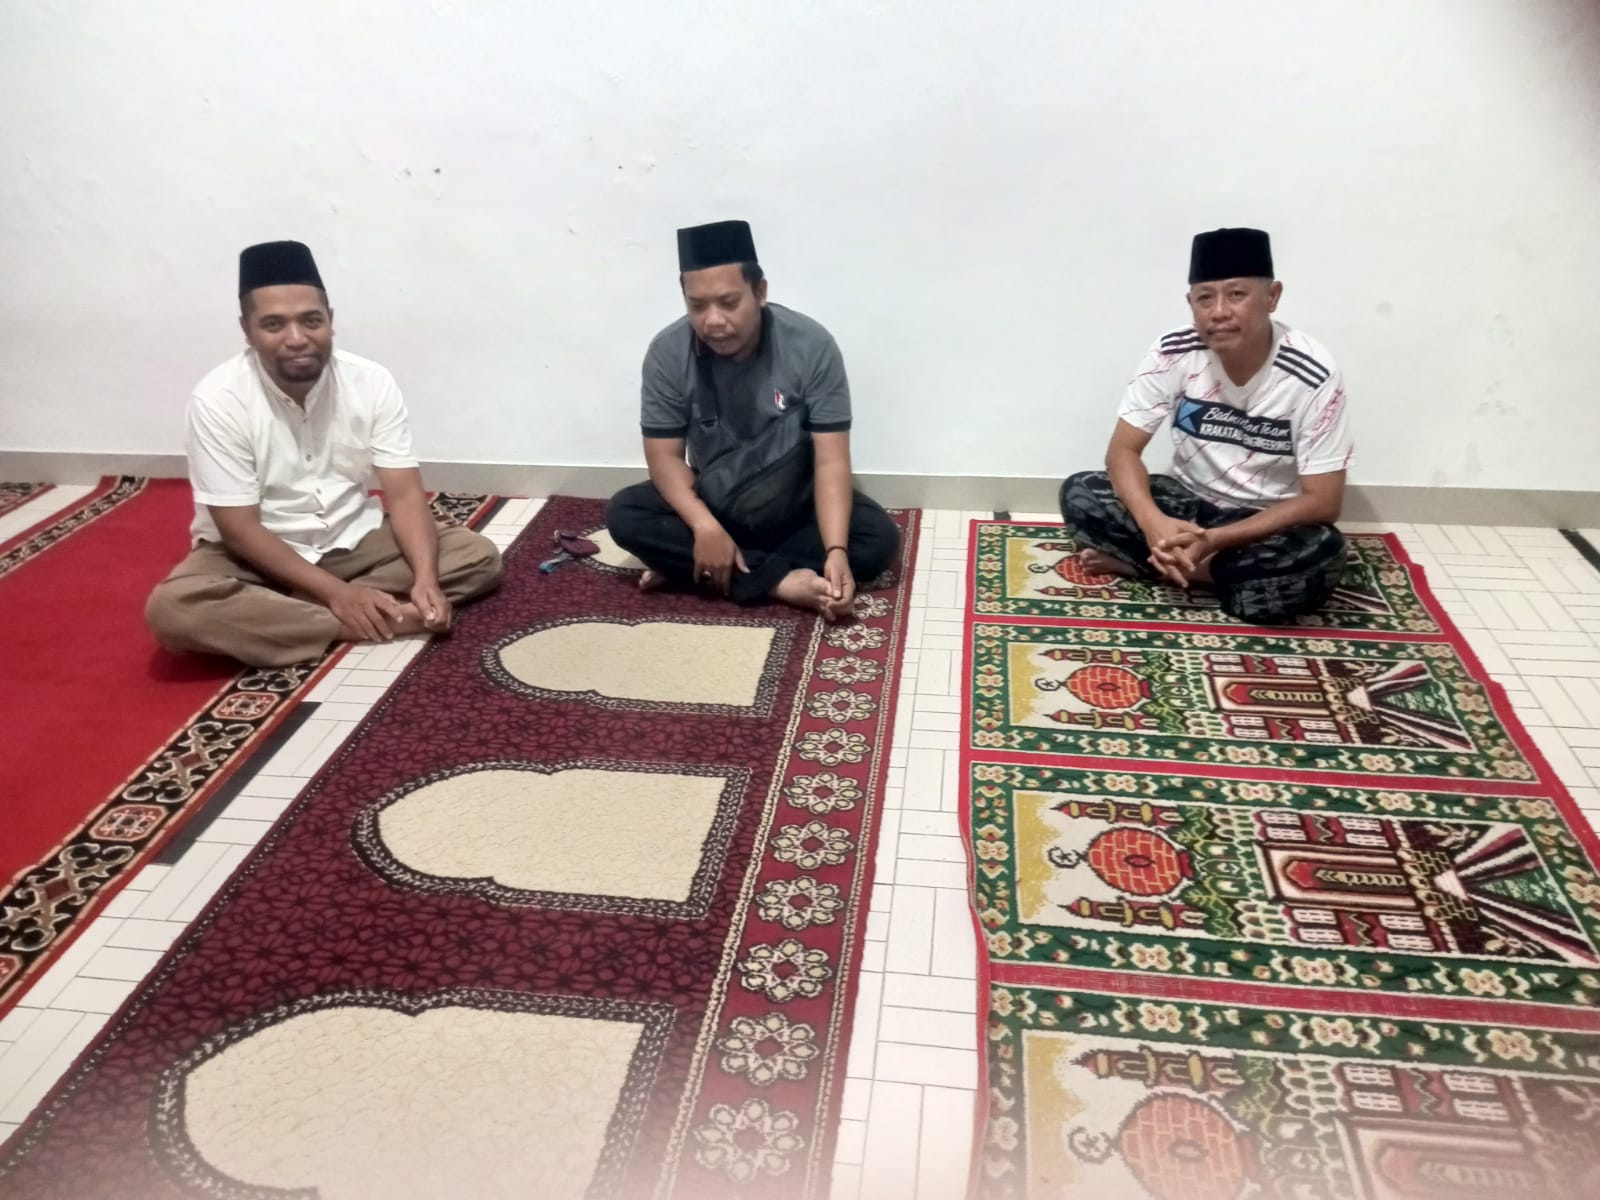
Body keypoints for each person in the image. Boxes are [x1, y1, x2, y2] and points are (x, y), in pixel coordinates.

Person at [145, 240, 502, 667]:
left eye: (311, 320)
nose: (297, 339)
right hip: (253, 556)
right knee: (174, 610)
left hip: (352, 538)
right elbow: (240, 530)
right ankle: (360, 620)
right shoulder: (218, 400)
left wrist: (426, 579)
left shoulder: (370, 382)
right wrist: (339, 595)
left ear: (330, 320)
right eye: (274, 325)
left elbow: (405, 494)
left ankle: (285, 615)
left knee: (477, 557)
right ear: (247, 330)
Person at [605, 221, 899, 622]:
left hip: (795, 505)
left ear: (759, 292)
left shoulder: (811, 345)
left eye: (728, 303)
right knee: (625, 513)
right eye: (697, 306)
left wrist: (835, 551)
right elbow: (664, 459)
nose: (713, 321)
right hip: (717, 504)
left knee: (875, 540)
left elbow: (831, 460)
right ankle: (777, 581)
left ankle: (701, 569)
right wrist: (704, 527)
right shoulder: (667, 353)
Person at [1059, 227, 1353, 624]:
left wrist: (1213, 541)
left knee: (1323, 551)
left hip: (1259, 522)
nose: (1219, 312)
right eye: (1204, 298)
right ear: (1191, 303)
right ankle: (1206, 570)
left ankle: (1160, 566)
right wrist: (1154, 525)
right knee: (1081, 492)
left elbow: (1323, 502)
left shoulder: (1313, 373)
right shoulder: (1172, 352)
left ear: (1272, 297)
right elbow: (1122, 452)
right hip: (1187, 505)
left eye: (1236, 294)